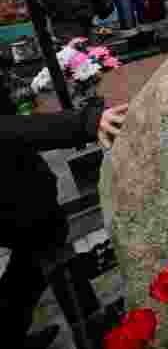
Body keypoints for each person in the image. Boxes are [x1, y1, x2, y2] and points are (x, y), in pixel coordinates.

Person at [0, 63, 127, 349]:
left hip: (17, 182)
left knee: (32, 261)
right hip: (12, 200)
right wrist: (83, 123)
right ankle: (92, 332)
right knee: (49, 252)